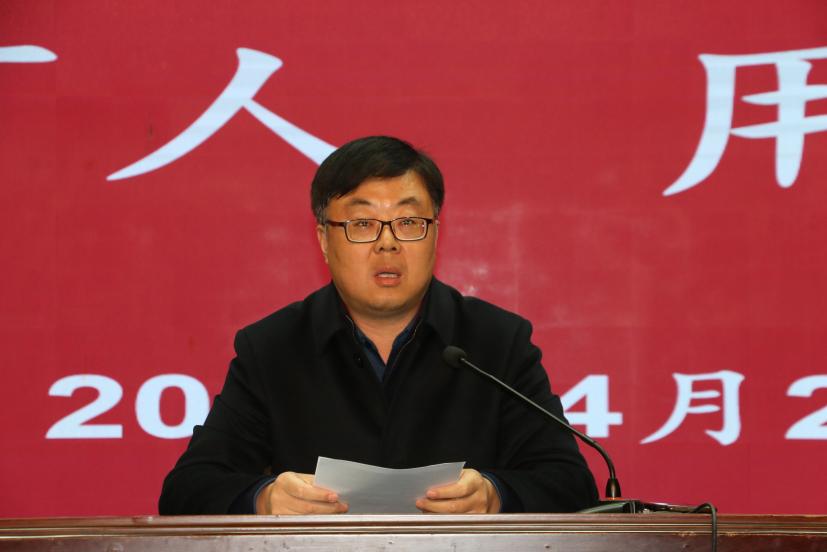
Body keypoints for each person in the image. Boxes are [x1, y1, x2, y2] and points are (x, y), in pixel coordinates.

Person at [159, 136, 598, 515]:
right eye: (362, 224)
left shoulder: (496, 343)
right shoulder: (272, 349)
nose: (387, 243)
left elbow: (571, 483)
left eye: (408, 222)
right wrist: (265, 498)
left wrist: (494, 494)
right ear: (323, 240)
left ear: (435, 233)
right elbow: (188, 489)